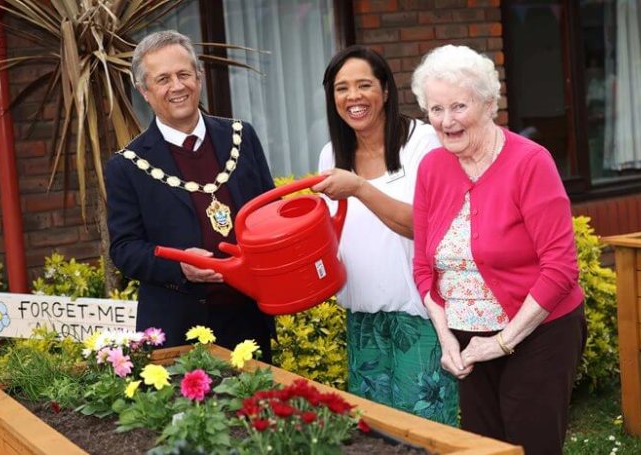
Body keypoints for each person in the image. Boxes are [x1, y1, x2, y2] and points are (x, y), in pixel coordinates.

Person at [411, 44, 586, 454]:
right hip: (467, 337)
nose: (446, 121)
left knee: (532, 443)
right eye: (435, 109)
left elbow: (560, 269)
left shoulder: (530, 163)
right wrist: (448, 340)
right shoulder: (432, 168)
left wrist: (503, 341)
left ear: (489, 104)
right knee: (482, 447)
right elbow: (423, 267)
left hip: (539, 331)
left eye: (458, 106)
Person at [104, 30, 275, 360]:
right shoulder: (126, 165)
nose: (177, 86)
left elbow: (269, 214)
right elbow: (125, 250)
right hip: (178, 329)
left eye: (184, 74)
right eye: (163, 79)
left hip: (248, 320)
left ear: (199, 77)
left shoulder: (242, 136)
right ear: (145, 91)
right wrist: (180, 267)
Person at [311, 45, 458, 425]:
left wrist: (360, 187)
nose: (353, 97)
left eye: (364, 85)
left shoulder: (422, 143)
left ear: (386, 91)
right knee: (374, 432)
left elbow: (424, 226)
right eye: (341, 88)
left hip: (420, 317)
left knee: (425, 431)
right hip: (362, 320)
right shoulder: (331, 154)